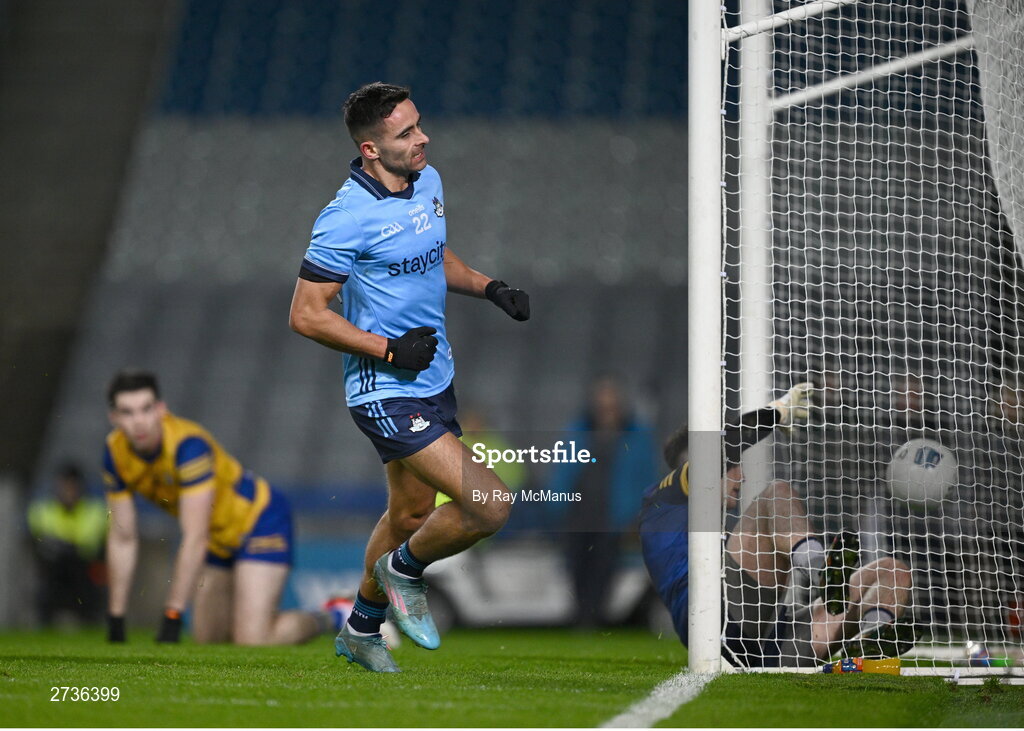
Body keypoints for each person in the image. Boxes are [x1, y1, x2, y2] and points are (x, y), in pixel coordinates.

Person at [288, 82, 530, 673]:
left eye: (419, 126)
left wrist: (488, 287)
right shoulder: (345, 217)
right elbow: (306, 313)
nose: (422, 139)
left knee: (409, 517)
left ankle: (362, 629)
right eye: (406, 134)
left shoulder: (428, 180)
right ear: (371, 149)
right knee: (490, 505)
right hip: (384, 388)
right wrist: (390, 351)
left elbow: (431, 254)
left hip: (434, 377)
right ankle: (403, 572)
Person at [640, 383, 915, 668]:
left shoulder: (698, 521)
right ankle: (821, 572)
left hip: (769, 643)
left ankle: (871, 644)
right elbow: (719, 447)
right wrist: (778, 411)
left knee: (893, 572)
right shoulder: (662, 497)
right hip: (714, 622)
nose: (741, 475)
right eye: (732, 463)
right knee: (777, 492)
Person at [102, 370, 339, 645]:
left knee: (253, 640)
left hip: (258, 520)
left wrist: (172, 615)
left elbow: (194, 537)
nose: (138, 422)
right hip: (217, 537)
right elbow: (122, 537)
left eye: (145, 409)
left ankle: (332, 616)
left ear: (161, 409)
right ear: (114, 418)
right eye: (127, 412)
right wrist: (116, 617)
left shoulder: (188, 446)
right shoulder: (114, 453)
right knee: (209, 640)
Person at [547, 375, 658, 627]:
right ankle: (580, 616)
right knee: (576, 567)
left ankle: (594, 618)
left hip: (613, 516)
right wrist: (556, 502)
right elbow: (562, 471)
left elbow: (646, 476)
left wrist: (640, 513)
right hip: (578, 514)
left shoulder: (637, 436)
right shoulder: (578, 431)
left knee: (604, 568)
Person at [27, 462, 107, 625]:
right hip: (55, 573)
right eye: (65, 485)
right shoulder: (42, 510)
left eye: (73, 486)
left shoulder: (96, 511)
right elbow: (37, 545)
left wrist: (68, 547)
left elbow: (97, 548)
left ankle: (90, 619)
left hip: (84, 572)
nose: (69, 491)